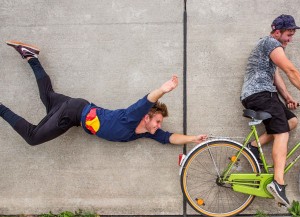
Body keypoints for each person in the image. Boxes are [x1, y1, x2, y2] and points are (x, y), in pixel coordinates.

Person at [0, 41, 207, 146]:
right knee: (33, 137)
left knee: (47, 96)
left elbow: (170, 138)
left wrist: (193, 138)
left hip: (77, 109)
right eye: (158, 121)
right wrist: (163, 89)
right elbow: (147, 100)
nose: (159, 126)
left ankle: (31, 56)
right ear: (147, 117)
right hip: (74, 113)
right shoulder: (131, 117)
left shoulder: (145, 133)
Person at [240, 15, 300, 206]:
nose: (290, 39)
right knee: (282, 132)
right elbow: (290, 70)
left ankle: (254, 147)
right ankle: (278, 183)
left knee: (291, 122)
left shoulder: (269, 48)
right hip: (260, 94)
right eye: (288, 34)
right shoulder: (270, 43)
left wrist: (287, 97)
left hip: (264, 95)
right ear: (277, 31)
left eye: (292, 35)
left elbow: (275, 74)